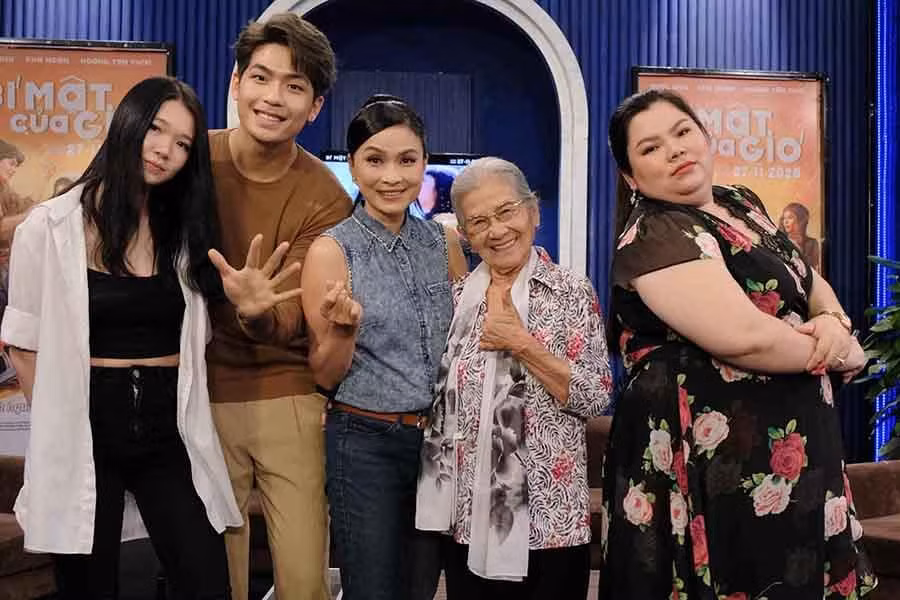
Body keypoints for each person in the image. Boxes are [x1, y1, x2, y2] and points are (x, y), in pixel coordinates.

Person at [600, 89, 875, 599]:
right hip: (712, 463)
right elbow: (744, 339)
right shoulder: (654, 234)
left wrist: (835, 321)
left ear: (705, 137)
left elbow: (808, 280)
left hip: (791, 448)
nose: (675, 150)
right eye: (651, 148)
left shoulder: (739, 202)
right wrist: (843, 352)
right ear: (631, 176)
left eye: (682, 132)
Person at [1, 76, 241, 599]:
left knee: (205, 578)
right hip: (85, 425)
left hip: (167, 427)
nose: (165, 150)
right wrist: (58, 428)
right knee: (88, 586)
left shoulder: (186, 232)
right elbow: (23, 344)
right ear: (127, 123)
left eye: (183, 143)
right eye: (156, 128)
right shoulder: (49, 226)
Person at [415, 157, 612, 600]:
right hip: (468, 520)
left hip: (551, 521)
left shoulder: (571, 292)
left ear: (533, 212)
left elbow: (595, 396)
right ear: (466, 235)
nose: (497, 230)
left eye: (507, 211)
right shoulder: (456, 301)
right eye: (479, 221)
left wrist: (523, 344)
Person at [203, 13, 352, 600]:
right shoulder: (192, 161)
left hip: (288, 393)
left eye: (294, 86)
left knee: (304, 580)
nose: (272, 97)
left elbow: (301, 317)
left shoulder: (325, 196)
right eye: (261, 78)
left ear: (314, 108)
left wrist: (257, 311)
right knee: (215, 577)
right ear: (236, 82)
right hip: (197, 392)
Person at [301, 94, 467, 600]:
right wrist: (343, 331)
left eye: (407, 160)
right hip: (365, 442)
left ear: (424, 163)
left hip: (437, 443)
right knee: (373, 588)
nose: (391, 176)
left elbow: (463, 344)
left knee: (420, 586)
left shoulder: (443, 242)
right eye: (375, 160)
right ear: (353, 166)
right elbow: (324, 375)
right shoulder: (332, 250)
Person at [779, 202, 821, 271]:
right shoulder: (781, 242)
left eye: (790, 218)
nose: (785, 221)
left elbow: (815, 268)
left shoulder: (812, 244)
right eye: (784, 218)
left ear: (801, 221)